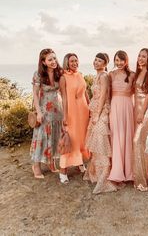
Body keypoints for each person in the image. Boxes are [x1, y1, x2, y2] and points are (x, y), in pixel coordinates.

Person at [83, 53, 117, 194]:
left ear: (105, 63)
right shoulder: (97, 75)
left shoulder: (104, 76)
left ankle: (104, 176)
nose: (96, 62)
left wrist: (97, 113)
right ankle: (96, 173)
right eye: (95, 60)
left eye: (100, 61)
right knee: (96, 143)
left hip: (102, 111)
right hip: (95, 110)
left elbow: (103, 95)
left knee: (101, 142)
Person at [30, 48, 64, 178]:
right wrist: (39, 113)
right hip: (44, 110)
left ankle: (51, 163)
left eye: (54, 58)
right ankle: (36, 166)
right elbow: (35, 95)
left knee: (55, 136)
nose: (53, 61)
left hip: (57, 109)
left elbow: (62, 92)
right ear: (43, 62)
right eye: (50, 59)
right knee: (41, 137)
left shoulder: (59, 73)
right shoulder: (38, 74)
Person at [59, 53, 90, 183]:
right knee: (71, 139)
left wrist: (90, 106)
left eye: (76, 61)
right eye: (72, 61)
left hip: (83, 111)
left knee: (82, 139)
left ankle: (79, 163)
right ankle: (63, 171)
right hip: (72, 112)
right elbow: (64, 98)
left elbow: (85, 92)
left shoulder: (80, 74)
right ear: (67, 62)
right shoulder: (63, 78)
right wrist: (65, 116)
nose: (75, 63)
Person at [108, 50, 135, 183]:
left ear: (126, 61)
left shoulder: (132, 75)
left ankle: (129, 171)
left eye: (121, 60)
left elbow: (138, 91)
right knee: (116, 136)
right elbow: (107, 94)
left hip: (128, 106)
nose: (119, 63)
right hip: (115, 106)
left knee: (127, 136)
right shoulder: (111, 75)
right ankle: (117, 170)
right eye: (117, 60)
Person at [132, 48, 148, 191]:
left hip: (145, 110)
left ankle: (145, 180)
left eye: (144, 56)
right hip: (136, 109)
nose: (140, 58)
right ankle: (140, 178)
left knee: (139, 141)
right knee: (141, 143)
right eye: (139, 56)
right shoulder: (139, 72)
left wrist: (142, 112)